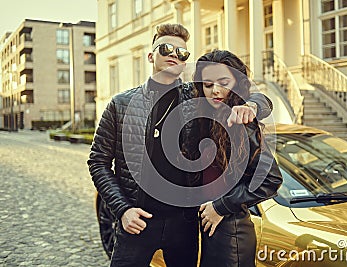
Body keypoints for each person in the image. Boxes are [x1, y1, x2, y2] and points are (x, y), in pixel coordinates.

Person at [88, 23, 272, 267]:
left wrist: (253, 106)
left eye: (182, 53)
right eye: (166, 49)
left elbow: (245, 93)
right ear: (151, 56)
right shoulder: (120, 104)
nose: (174, 55)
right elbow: (98, 161)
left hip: (183, 224)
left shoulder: (198, 100)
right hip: (137, 220)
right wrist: (122, 210)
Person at [193, 50, 283, 267]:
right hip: (207, 227)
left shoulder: (241, 120)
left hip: (230, 231)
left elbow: (270, 180)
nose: (215, 90)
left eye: (224, 82)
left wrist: (220, 207)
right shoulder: (207, 116)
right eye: (207, 84)